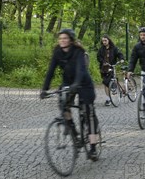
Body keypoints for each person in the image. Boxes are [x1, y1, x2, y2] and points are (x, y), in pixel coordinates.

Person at [40, 29, 100, 161]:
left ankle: (93, 148)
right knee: (63, 105)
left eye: (65, 38)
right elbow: (51, 71)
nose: (62, 41)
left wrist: (76, 84)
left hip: (84, 83)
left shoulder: (78, 52)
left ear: (71, 40)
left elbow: (80, 70)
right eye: (60, 38)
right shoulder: (57, 52)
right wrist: (44, 89)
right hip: (68, 83)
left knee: (88, 113)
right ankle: (74, 132)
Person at [97, 35, 125, 106]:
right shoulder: (101, 49)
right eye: (103, 41)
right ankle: (108, 98)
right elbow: (98, 57)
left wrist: (121, 59)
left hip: (112, 67)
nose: (104, 42)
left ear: (109, 40)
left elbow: (119, 54)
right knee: (106, 83)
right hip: (104, 68)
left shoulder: (114, 48)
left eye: (105, 40)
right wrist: (103, 62)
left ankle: (114, 87)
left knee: (109, 81)